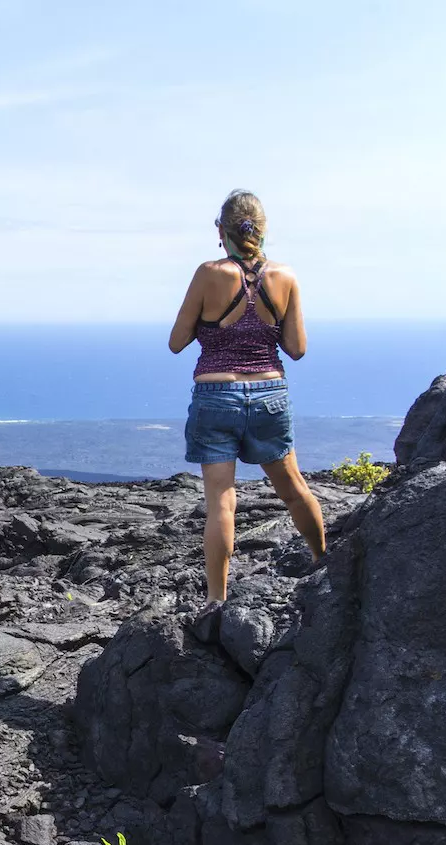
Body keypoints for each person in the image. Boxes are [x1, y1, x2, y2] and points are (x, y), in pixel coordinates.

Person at [167, 189, 326, 612]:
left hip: (216, 393)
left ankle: (216, 601)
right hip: (270, 391)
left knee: (221, 499)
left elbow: (177, 342)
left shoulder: (208, 273)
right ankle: (324, 565)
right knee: (293, 488)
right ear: (262, 228)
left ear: (221, 231)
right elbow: (296, 348)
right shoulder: (285, 276)